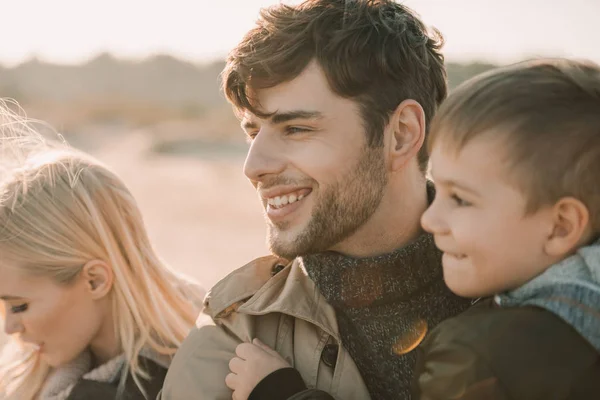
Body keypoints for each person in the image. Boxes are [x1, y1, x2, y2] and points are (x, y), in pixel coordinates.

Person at [231, 58, 600, 400]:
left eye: (461, 199)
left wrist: (278, 393)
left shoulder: (482, 357)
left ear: (561, 226)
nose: (431, 219)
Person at [159, 1, 470, 399]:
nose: (253, 166)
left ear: (402, 134)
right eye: (253, 132)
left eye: (296, 128)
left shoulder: (532, 303)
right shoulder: (229, 345)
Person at [0, 102, 205, 400]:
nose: (9, 328)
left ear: (95, 279)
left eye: (19, 306)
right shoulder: (35, 373)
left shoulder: (189, 383)